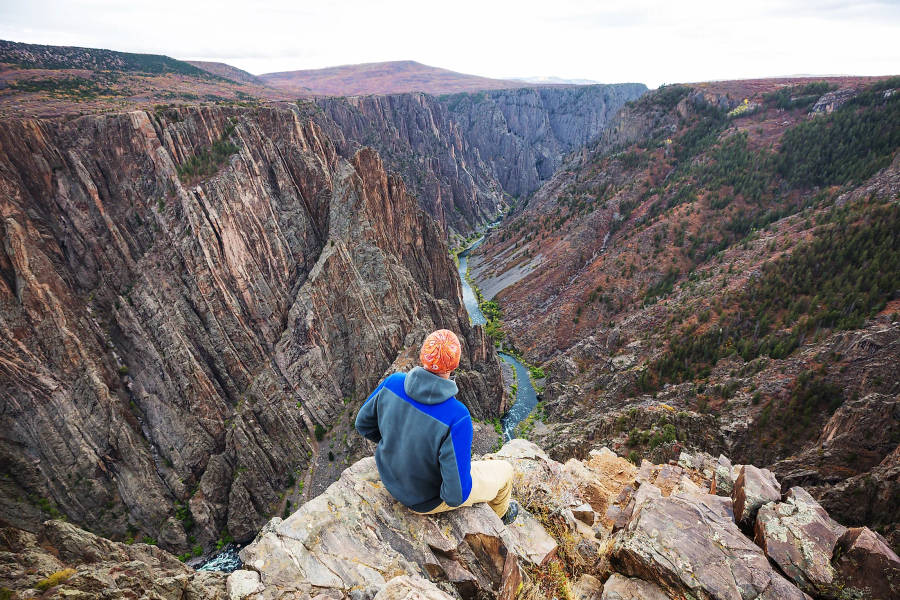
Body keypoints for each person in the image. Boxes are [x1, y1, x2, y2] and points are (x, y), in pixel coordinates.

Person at [355, 329, 519, 524]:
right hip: (423, 500)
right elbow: (456, 496)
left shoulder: (393, 382)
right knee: (505, 470)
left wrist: (396, 444)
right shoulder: (457, 416)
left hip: (388, 476)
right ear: (455, 364)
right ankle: (500, 518)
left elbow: (363, 425)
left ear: (423, 355)